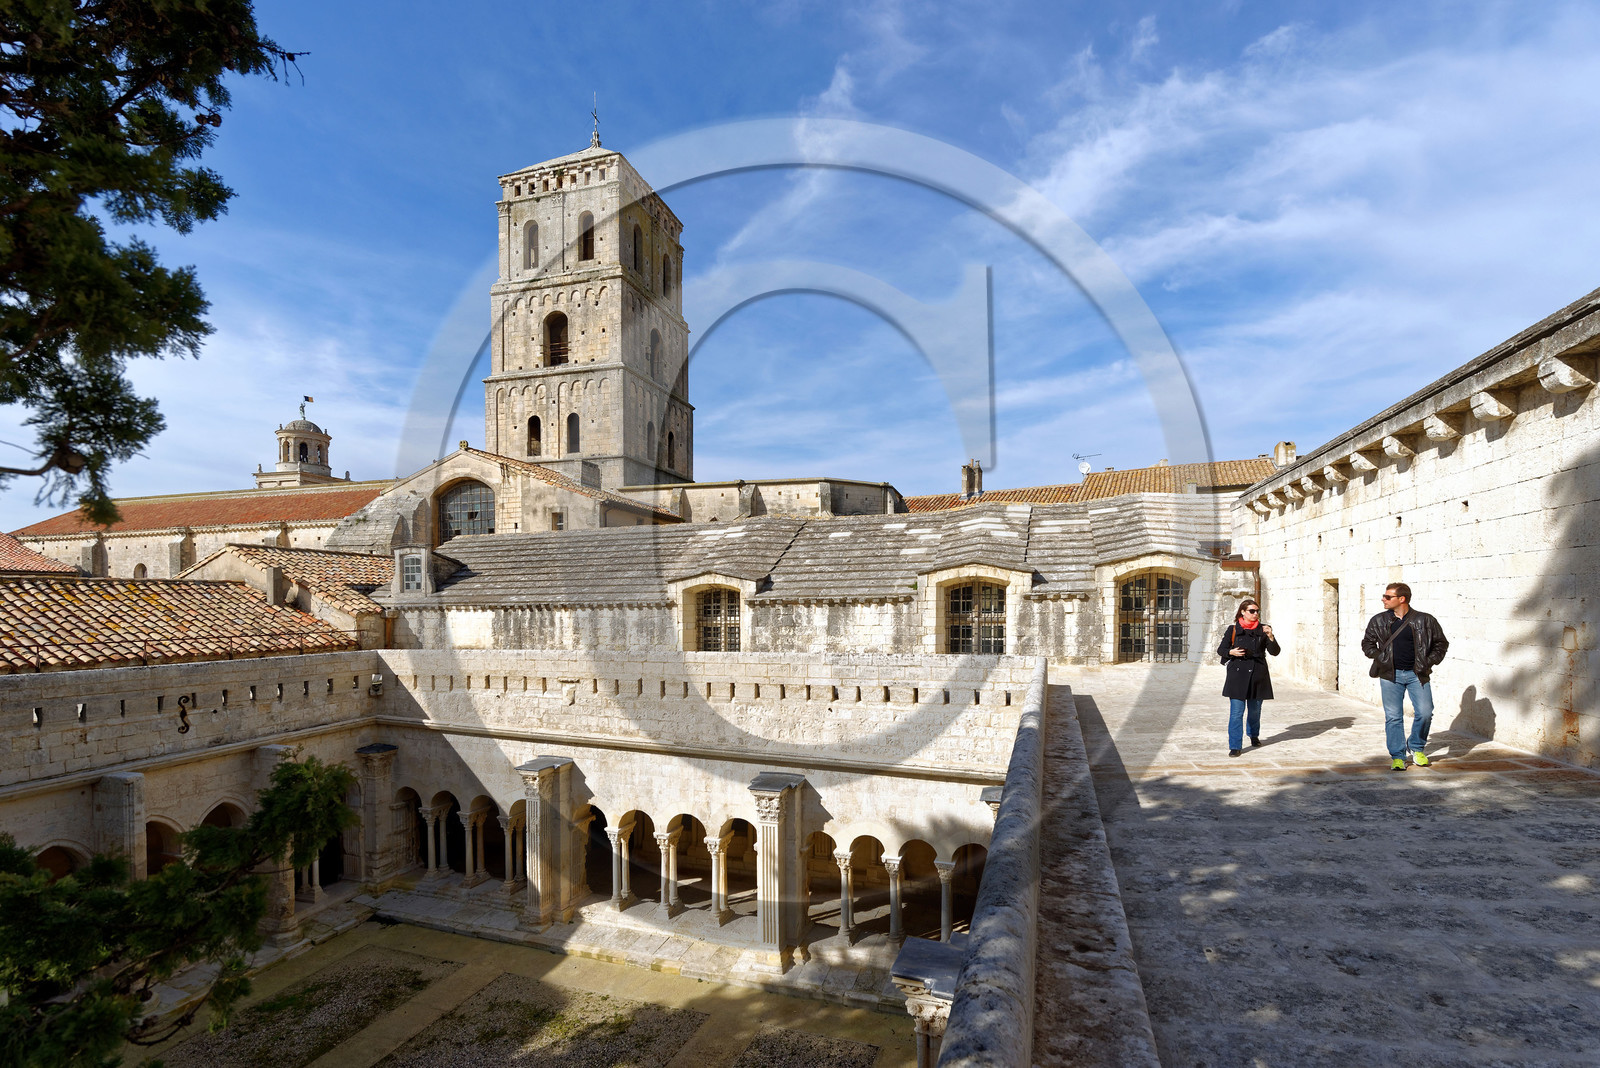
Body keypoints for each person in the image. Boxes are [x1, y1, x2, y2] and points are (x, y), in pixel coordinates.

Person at [1361, 582, 1449, 771]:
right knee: (1393, 717)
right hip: (1390, 675)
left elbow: (1441, 643)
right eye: (1384, 596)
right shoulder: (1378, 620)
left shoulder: (1425, 620)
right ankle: (1398, 756)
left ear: (1402, 599)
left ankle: (1416, 748)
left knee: (1425, 712)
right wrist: (1381, 658)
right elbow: (1367, 644)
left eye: (1387, 597)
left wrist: (1429, 661)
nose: (1383, 599)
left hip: (1418, 674)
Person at [1218, 598, 1280, 756]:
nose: (1255, 614)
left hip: (1258, 674)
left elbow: (1275, 652)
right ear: (1243, 612)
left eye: (1257, 611)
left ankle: (1253, 735)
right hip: (1237, 675)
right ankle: (1235, 746)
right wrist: (1231, 652)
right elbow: (1221, 649)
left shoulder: (1263, 629)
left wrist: (1271, 636)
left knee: (1255, 710)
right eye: (1252, 611)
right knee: (1236, 713)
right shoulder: (1233, 629)